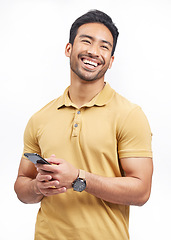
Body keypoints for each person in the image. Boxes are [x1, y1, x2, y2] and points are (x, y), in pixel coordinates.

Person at [14, 9, 153, 240]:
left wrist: (79, 178)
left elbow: (141, 191)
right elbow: (21, 186)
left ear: (111, 61)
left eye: (104, 47)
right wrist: (37, 187)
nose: (93, 52)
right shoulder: (40, 118)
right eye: (86, 41)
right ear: (69, 48)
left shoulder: (130, 115)